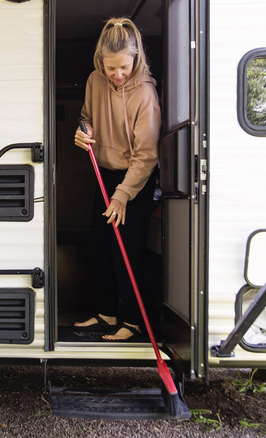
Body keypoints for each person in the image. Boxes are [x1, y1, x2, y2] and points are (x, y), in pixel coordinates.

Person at [72, 17, 160, 341]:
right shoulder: (95, 80)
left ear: (135, 59)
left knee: (125, 249)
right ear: (101, 61)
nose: (118, 75)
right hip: (105, 172)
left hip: (135, 178)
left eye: (124, 67)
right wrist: (83, 132)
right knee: (99, 245)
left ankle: (132, 321)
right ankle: (108, 312)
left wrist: (123, 195)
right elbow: (86, 117)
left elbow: (146, 155)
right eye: (111, 68)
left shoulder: (145, 93)